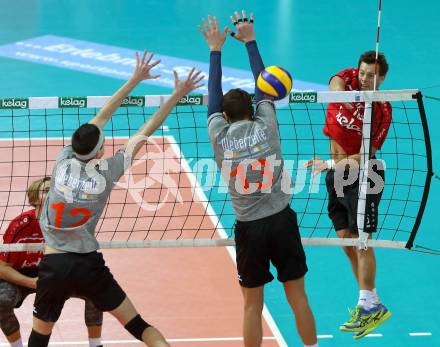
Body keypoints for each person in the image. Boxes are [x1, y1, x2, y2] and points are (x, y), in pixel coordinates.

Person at [27, 50, 204, 347]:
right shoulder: (108, 172)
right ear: (99, 152)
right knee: (138, 325)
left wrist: (134, 78)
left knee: (39, 338)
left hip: (54, 266)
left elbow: (102, 115)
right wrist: (176, 95)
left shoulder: (62, 162)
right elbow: (145, 132)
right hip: (88, 266)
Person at [199, 11, 318, 347]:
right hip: (282, 221)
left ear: (223, 116)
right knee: (298, 299)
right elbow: (263, 83)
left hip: (249, 229)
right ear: (254, 109)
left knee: (252, 305)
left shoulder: (218, 134)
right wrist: (250, 41)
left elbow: (212, 94)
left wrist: (215, 49)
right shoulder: (267, 124)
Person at [305, 51, 392, 339]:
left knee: (361, 241)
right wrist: (344, 96)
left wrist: (328, 164)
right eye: (364, 73)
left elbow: (368, 155)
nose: (366, 79)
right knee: (345, 239)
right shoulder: (351, 80)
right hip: (335, 176)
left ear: (382, 79)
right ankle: (372, 302)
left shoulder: (382, 109)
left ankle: (367, 305)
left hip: (363, 174)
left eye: (373, 76)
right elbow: (334, 83)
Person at [0, 177, 104, 347]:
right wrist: (32, 283)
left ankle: (96, 344)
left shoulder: (68, 223)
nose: (52, 194)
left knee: (96, 290)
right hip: (23, 276)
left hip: (57, 273)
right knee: (1, 300)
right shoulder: (19, 226)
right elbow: (2, 268)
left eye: (55, 191)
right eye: (46, 190)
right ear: (34, 199)